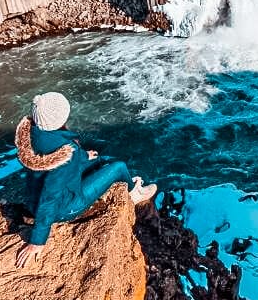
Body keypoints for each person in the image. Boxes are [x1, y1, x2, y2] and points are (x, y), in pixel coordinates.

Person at [14, 91, 156, 267]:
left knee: (97, 159)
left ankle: (102, 167)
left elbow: (56, 152)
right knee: (119, 167)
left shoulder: (31, 136)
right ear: (60, 119)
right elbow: (49, 197)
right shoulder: (66, 154)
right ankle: (133, 193)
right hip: (67, 207)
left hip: (32, 200)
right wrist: (37, 240)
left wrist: (83, 156)